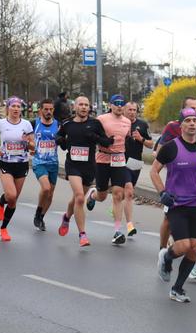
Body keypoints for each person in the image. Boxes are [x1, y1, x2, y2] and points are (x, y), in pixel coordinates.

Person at [151, 107, 196, 302]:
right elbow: (154, 171)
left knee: (195, 248)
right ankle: (166, 257)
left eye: (195, 120)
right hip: (177, 203)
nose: (192, 124)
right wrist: (162, 193)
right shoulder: (171, 147)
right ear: (181, 125)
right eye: (187, 120)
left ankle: (177, 289)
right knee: (183, 245)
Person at [154, 96, 196, 279]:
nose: (194, 120)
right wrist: (163, 192)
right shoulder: (171, 130)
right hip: (175, 193)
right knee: (169, 223)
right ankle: (164, 253)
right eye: (190, 115)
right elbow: (157, 159)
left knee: (193, 244)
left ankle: (185, 272)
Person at [56, 96, 113, 247]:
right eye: (80, 105)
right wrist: (60, 140)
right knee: (80, 197)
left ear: (89, 108)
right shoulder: (67, 123)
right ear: (74, 107)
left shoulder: (95, 123)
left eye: (86, 105)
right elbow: (59, 137)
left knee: (76, 200)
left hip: (89, 167)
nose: (84, 107)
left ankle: (67, 217)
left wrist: (97, 138)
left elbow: (106, 142)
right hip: (73, 165)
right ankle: (82, 234)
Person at [0, 97, 35, 242]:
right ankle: (1, 202)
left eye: (18, 106)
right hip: (6, 163)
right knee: (11, 195)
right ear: (8, 108)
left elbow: (33, 146)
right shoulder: (0, 123)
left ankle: (3, 228)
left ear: (21, 109)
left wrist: (28, 143)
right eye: (13, 106)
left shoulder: (26, 125)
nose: (16, 109)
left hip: (21, 164)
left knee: (13, 201)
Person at [85, 94, 131, 245]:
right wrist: (103, 142)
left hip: (119, 159)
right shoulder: (102, 119)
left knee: (118, 195)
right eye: (116, 103)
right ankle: (93, 195)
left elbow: (127, 139)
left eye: (121, 103)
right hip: (103, 159)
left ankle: (117, 231)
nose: (119, 106)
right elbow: (93, 136)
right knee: (103, 196)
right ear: (110, 105)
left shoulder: (127, 122)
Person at [123, 101, 153, 236]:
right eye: (129, 110)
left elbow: (151, 145)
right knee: (128, 192)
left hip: (136, 161)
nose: (132, 112)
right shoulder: (119, 123)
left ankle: (117, 207)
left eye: (134, 110)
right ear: (124, 110)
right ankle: (130, 225)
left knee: (128, 192)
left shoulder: (142, 125)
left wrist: (141, 139)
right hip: (120, 161)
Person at [31, 98, 59, 231]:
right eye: (46, 109)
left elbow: (64, 141)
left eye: (51, 109)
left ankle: (41, 216)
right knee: (46, 188)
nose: (48, 112)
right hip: (39, 162)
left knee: (50, 194)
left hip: (53, 163)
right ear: (40, 110)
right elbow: (24, 137)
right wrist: (29, 146)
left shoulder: (58, 125)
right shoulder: (34, 124)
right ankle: (38, 212)